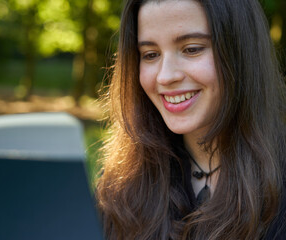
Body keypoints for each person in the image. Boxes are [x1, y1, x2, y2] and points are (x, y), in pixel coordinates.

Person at [96, 0, 286, 239]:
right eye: (150, 54)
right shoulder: (119, 186)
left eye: (192, 49)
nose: (165, 76)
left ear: (241, 51)